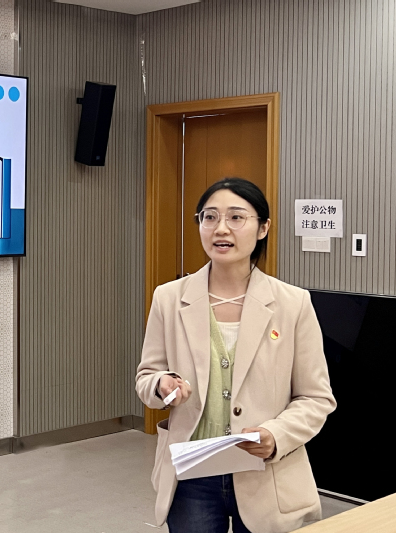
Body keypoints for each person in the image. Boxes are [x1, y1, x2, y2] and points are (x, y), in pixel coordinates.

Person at [136, 178, 336, 533]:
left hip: (267, 473)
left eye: (236, 217)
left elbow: (316, 398)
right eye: (209, 217)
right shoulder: (169, 298)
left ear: (263, 228)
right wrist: (161, 384)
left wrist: (276, 435)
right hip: (192, 473)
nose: (221, 229)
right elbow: (147, 377)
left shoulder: (293, 303)